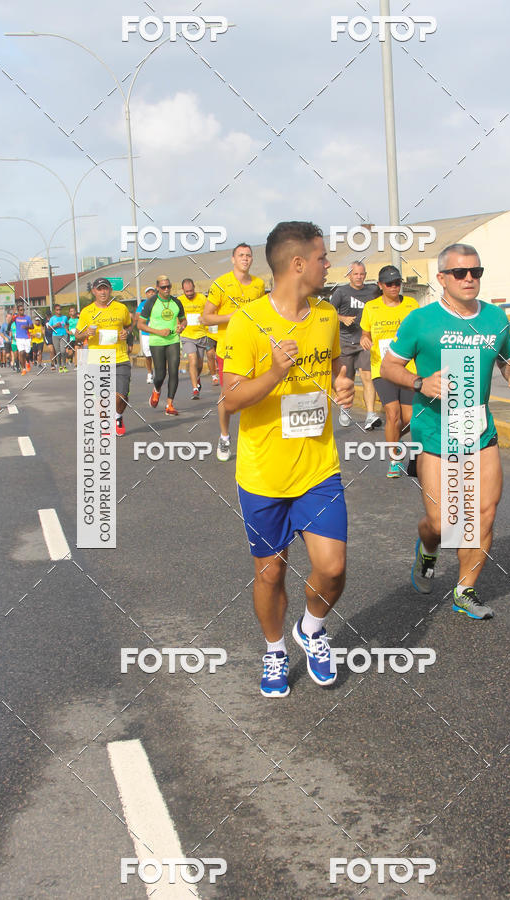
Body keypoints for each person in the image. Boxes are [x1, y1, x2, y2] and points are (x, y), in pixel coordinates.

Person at [222, 221, 355, 697]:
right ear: (298, 264)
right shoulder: (246, 322)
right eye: (322, 257)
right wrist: (276, 371)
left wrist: (343, 384)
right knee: (271, 570)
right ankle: (276, 649)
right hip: (262, 473)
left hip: (318, 466)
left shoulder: (324, 316)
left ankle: (312, 630)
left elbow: (337, 364)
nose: (328, 265)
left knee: (333, 568)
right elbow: (232, 400)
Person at [381, 243, 510, 620]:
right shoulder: (421, 320)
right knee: (443, 522)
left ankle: (465, 590)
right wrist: (420, 383)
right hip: (435, 431)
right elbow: (389, 367)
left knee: (483, 512)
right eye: (461, 273)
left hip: (480, 430)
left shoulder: (496, 318)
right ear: (442, 278)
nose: (469, 279)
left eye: (476, 272)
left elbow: (509, 361)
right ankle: (427, 548)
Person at [202, 244, 266, 461]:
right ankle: (224, 436)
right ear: (233, 259)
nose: (245, 259)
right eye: (241, 255)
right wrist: (233, 316)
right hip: (227, 347)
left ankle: (255, 439)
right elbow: (206, 317)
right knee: (228, 396)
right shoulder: (221, 284)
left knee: (257, 393)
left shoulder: (259, 284)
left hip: (255, 346)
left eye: (248, 255)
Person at [360, 265, 419, 477]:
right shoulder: (371, 307)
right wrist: (365, 339)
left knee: (410, 418)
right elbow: (364, 333)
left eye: (397, 283)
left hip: (407, 368)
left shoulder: (411, 305)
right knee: (392, 414)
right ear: (380, 285)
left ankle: (393, 438)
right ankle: (394, 459)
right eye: (389, 284)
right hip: (382, 368)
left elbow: (419, 332)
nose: (394, 287)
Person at [75, 276, 133, 436]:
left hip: (120, 357)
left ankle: (118, 416)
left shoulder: (121, 308)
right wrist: (86, 333)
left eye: (105, 288)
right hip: (97, 358)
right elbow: (77, 335)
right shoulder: (87, 312)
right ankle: (106, 422)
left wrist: (126, 332)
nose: (103, 292)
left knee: (122, 394)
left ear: (110, 290)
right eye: (99, 289)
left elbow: (129, 326)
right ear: (94, 291)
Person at [329, 261, 381, 431]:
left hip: (365, 342)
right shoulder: (341, 292)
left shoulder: (372, 291)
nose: (359, 277)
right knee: (348, 378)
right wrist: (342, 318)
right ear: (349, 275)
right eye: (355, 274)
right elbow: (328, 312)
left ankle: (371, 415)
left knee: (367, 378)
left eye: (362, 274)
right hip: (345, 343)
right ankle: (345, 408)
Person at [136, 276, 186, 417]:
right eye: (163, 287)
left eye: (168, 286)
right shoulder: (151, 302)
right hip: (157, 341)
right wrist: (158, 332)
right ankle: (156, 390)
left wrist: (181, 326)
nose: (166, 289)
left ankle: (169, 404)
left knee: (174, 371)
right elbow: (140, 324)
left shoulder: (176, 302)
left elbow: (183, 320)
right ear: (157, 288)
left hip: (173, 340)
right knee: (160, 374)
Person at [177, 278, 208, 399]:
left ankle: (197, 377)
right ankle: (195, 389)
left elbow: (208, 312)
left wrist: (204, 318)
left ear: (194, 287)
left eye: (191, 291)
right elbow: (176, 316)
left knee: (199, 365)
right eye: (186, 291)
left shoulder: (202, 298)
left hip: (201, 334)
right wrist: (178, 326)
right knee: (192, 360)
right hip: (187, 335)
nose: (189, 293)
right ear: (182, 290)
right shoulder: (179, 300)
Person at [135, 286, 156, 384]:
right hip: (146, 333)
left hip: (157, 333)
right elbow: (138, 316)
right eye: (149, 292)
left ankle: (159, 373)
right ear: (146, 294)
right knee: (148, 355)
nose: (151, 294)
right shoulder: (143, 304)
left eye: (152, 292)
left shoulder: (159, 304)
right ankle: (149, 373)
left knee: (158, 354)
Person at [13, 302, 33, 375]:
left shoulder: (27, 318)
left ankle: (28, 361)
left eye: (23, 310)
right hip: (19, 338)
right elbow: (10, 320)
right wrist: (14, 311)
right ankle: (23, 369)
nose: (22, 311)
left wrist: (27, 327)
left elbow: (32, 326)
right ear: (18, 311)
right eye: (20, 310)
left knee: (27, 354)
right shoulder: (16, 318)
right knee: (21, 353)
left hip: (27, 337)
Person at [49, 304, 69, 373]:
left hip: (64, 335)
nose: (59, 311)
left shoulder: (64, 317)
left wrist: (67, 330)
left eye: (60, 309)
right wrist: (55, 325)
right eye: (57, 310)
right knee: (58, 352)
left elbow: (67, 324)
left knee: (63, 351)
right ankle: (60, 366)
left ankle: (64, 365)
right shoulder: (52, 318)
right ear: (55, 311)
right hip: (55, 336)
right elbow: (49, 327)